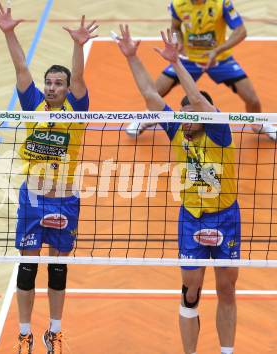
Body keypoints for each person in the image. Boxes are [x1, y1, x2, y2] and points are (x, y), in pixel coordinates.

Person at [116, 25, 240, 354]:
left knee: (227, 288)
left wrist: (178, 63)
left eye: (193, 115)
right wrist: (132, 58)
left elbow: (199, 99)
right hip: (191, 218)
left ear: (207, 117)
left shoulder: (219, 134)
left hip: (225, 217)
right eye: (183, 114)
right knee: (191, 289)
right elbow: (151, 96)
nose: (186, 120)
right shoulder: (176, 130)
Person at [0, 2, 97, 353]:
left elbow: (81, 79)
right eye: (49, 82)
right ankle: (24, 333)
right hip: (33, 198)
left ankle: (54, 331)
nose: (51, 87)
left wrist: (78, 45)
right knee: (26, 269)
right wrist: (9, 32)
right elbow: (21, 67)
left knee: (57, 270)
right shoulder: (33, 102)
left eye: (58, 83)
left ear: (67, 88)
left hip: (65, 198)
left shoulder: (77, 111)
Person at [126, 0, 277, 140]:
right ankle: (148, 117)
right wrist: (178, 41)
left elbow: (241, 31)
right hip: (189, 59)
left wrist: (217, 51)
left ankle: (258, 124)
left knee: (252, 99)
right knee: (156, 91)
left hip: (219, 58)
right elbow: (176, 27)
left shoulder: (221, 3)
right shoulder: (178, 4)